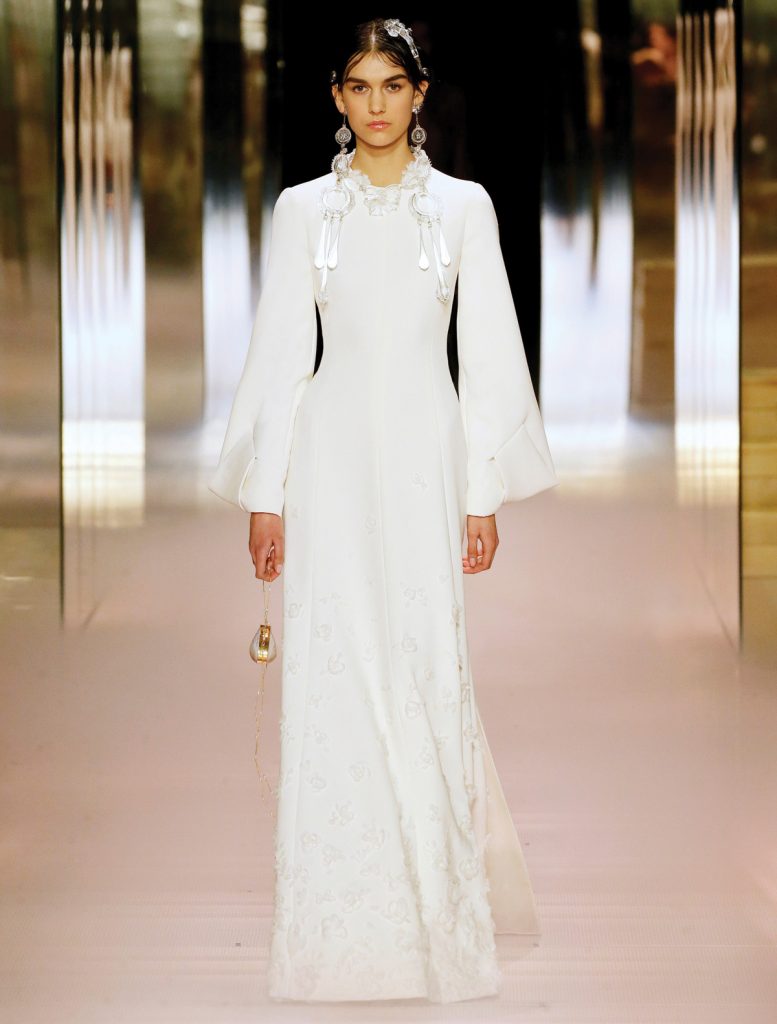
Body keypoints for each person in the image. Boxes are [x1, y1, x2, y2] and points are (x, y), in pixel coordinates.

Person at [209, 16, 559, 1005]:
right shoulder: (301, 212)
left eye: (391, 86)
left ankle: (436, 920)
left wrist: (482, 492)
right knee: (333, 668)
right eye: (358, 86)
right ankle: (338, 935)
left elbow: (488, 352)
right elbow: (282, 354)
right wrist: (266, 494)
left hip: (424, 455)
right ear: (336, 97)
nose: (375, 105)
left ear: (419, 95)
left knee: (424, 661)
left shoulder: (462, 208)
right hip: (327, 459)